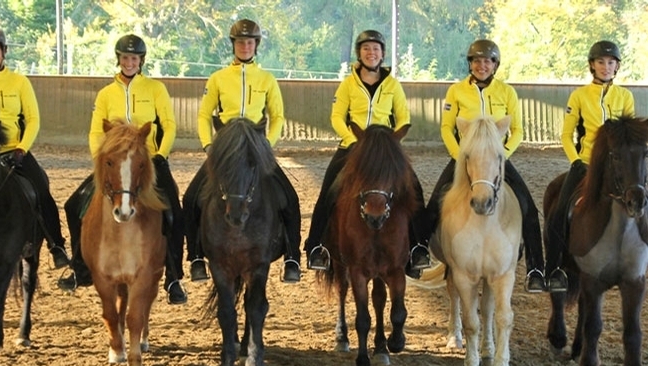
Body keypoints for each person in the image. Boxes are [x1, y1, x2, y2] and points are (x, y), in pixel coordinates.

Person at [56, 34, 188, 305]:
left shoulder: (155, 89)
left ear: (141, 61)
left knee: (174, 213)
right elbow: (95, 131)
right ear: (119, 60)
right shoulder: (105, 94)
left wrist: (161, 154)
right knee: (73, 206)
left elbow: (170, 124)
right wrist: (101, 160)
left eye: (134, 58)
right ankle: (80, 267)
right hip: (113, 164)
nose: (130, 63)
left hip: (147, 162)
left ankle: (174, 276)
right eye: (125, 58)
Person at [304, 29, 431, 279]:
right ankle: (315, 246)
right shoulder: (348, 84)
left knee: (414, 190)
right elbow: (337, 117)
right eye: (366, 49)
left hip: (385, 148)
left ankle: (418, 249)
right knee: (329, 190)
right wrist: (355, 142)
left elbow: (403, 117)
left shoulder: (393, 85)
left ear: (382, 54)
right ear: (359, 54)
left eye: (375, 49)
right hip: (353, 146)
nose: (371, 53)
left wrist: (392, 142)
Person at [183, 19, 302, 284]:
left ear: (256, 45)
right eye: (240, 42)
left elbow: (278, 116)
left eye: (249, 42)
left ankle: (292, 258)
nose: (245, 46)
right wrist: (209, 146)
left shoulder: (266, 79)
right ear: (233, 45)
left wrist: (266, 147)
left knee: (290, 198)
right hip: (225, 148)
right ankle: (196, 258)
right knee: (191, 199)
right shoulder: (218, 79)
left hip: (255, 148)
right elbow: (204, 115)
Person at [424, 39, 547, 292]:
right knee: (434, 203)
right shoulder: (456, 91)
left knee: (528, 207)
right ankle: (418, 252)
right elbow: (447, 127)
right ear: (470, 64)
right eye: (477, 61)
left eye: (487, 61)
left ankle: (536, 268)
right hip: (464, 158)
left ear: (495, 65)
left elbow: (517, 130)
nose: (482, 65)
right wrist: (460, 155)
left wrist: (502, 154)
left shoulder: (507, 92)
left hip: (497, 160)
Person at [0, 27, 70, 270]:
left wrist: (22, 148)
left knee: (41, 189)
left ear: (4, 52)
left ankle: (56, 245)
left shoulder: (20, 82)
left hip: (14, 152)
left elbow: (33, 120)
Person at [544, 40, 634, 293]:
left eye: (611, 63)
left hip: (617, 167)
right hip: (584, 164)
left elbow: (626, 136)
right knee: (559, 212)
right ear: (592, 66)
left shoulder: (625, 96)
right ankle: (554, 269)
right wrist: (575, 161)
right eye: (601, 62)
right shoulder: (580, 95)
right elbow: (566, 134)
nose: (606, 67)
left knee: (640, 199)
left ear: (617, 67)